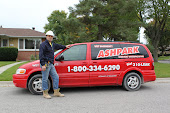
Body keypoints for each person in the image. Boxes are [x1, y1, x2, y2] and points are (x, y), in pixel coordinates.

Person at [39, 30, 70, 99]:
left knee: (56, 77)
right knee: (45, 79)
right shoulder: (43, 45)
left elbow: (58, 46)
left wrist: (65, 47)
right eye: (49, 36)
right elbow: (41, 55)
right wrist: (43, 64)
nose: (50, 37)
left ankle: (56, 92)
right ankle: (45, 93)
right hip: (46, 64)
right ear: (46, 36)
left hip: (51, 64)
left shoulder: (52, 44)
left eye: (51, 36)